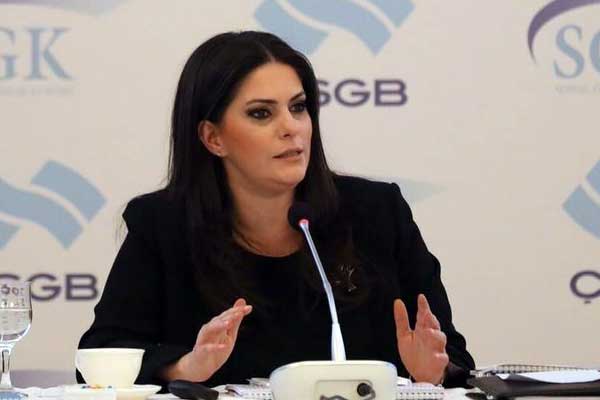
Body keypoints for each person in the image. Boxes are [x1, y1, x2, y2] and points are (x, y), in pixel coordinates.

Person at [78, 31, 475, 389]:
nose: (291, 127)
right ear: (213, 138)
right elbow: (101, 356)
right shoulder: (163, 225)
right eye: (261, 113)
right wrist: (185, 367)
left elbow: (453, 357)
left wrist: (433, 371)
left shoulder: (376, 213)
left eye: (298, 107)